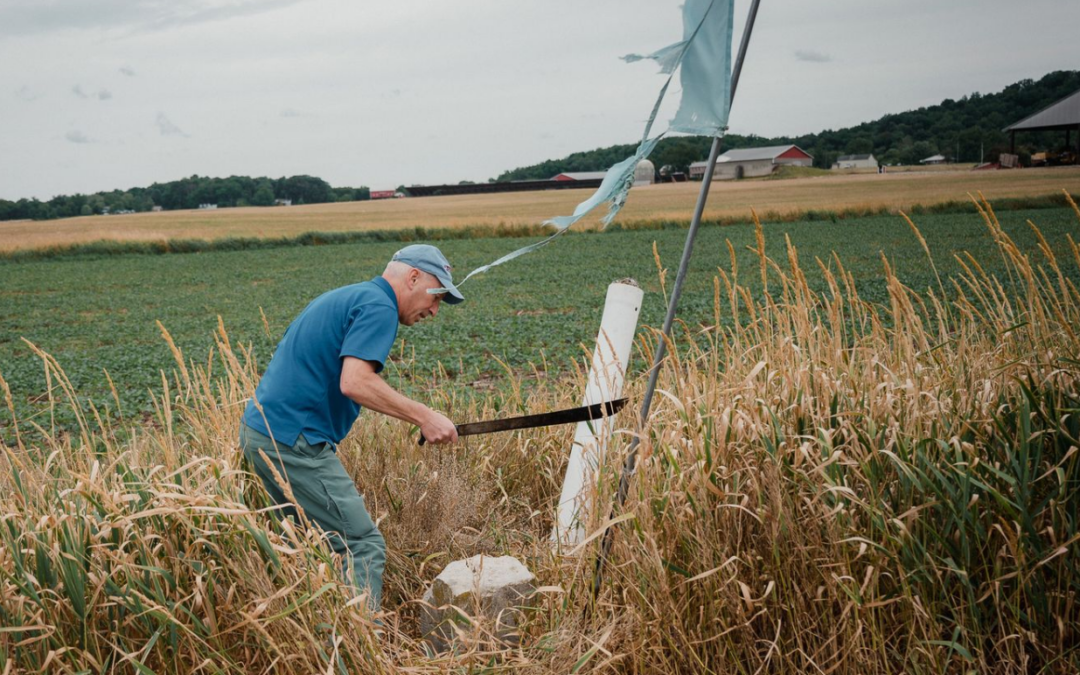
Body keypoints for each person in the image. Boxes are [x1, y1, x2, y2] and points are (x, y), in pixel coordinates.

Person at [238, 244, 464, 610]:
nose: (435, 310)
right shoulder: (379, 307)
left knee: (306, 548)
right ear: (412, 277)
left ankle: (315, 645)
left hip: (261, 433)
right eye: (437, 295)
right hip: (295, 442)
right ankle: (359, 650)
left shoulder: (353, 296)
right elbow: (355, 382)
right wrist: (425, 415)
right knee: (361, 546)